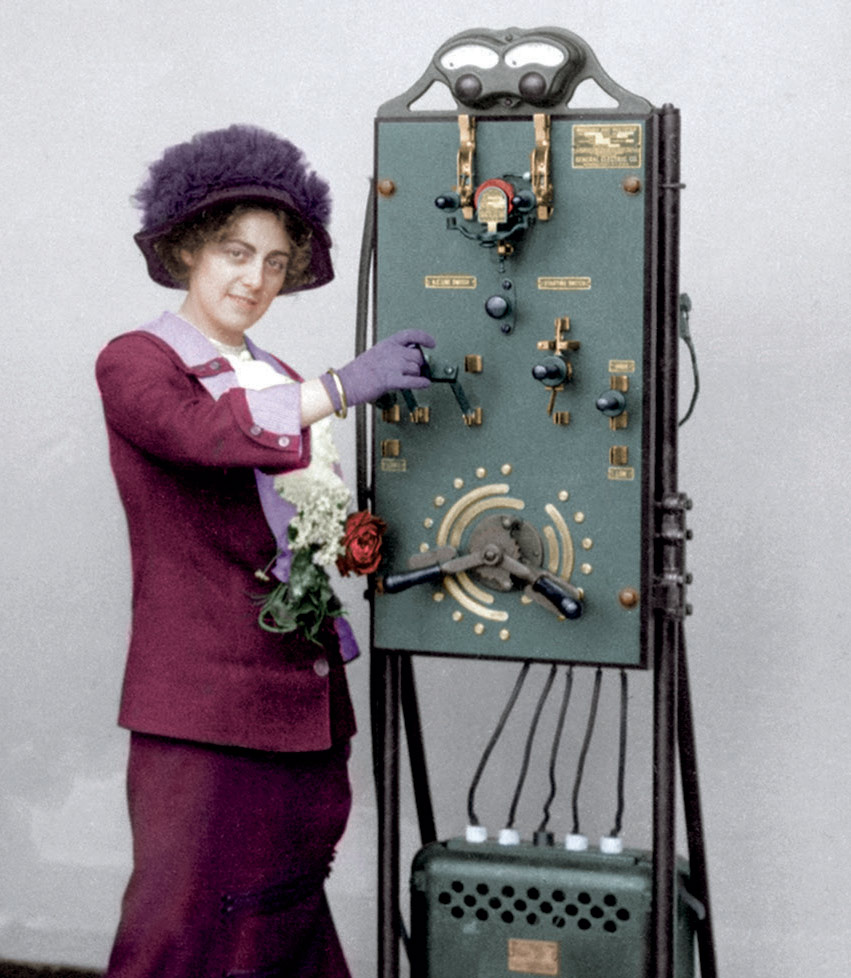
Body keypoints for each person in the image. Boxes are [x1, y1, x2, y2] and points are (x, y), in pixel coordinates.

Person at [96, 123, 433, 978]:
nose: (255, 279)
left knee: (280, 922)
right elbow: (198, 435)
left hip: (303, 698)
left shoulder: (274, 371)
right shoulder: (135, 363)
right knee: (178, 930)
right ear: (185, 252)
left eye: (276, 262)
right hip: (204, 706)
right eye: (234, 253)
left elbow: (295, 519)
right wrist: (338, 388)